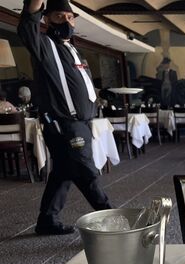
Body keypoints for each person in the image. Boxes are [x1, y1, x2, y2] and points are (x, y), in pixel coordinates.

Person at [18, 0, 113, 235]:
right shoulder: (44, 45)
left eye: (70, 17)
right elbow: (27, 26)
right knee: (86, 172)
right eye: (59, 16)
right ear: (47, 19)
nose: (67, 21)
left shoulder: (74, 50)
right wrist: (34, 6)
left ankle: (47, 220)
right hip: (63, 123)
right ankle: (114, 220)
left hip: (82, 123)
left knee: (63, 170)